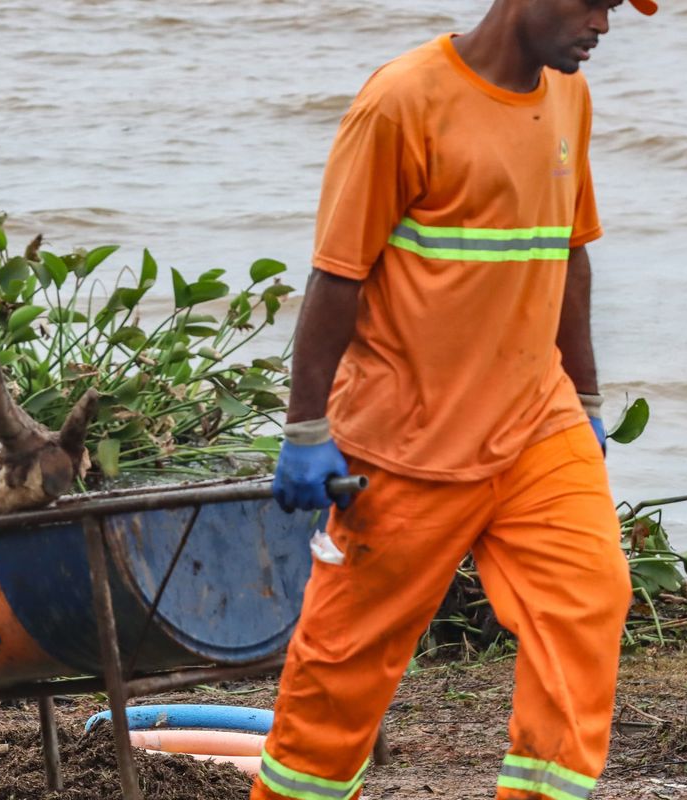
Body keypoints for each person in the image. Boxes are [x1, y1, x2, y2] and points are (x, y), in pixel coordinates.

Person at [259, 1, 657, 798]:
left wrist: (583, 396)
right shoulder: (402, 101)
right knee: (339, 679)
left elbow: (570, 254)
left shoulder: (568, 95)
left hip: (536, 424)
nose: (603, 26)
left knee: (589, 603)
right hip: (409, 441)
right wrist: (308, 427)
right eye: (592, 2)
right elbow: (337, 275)